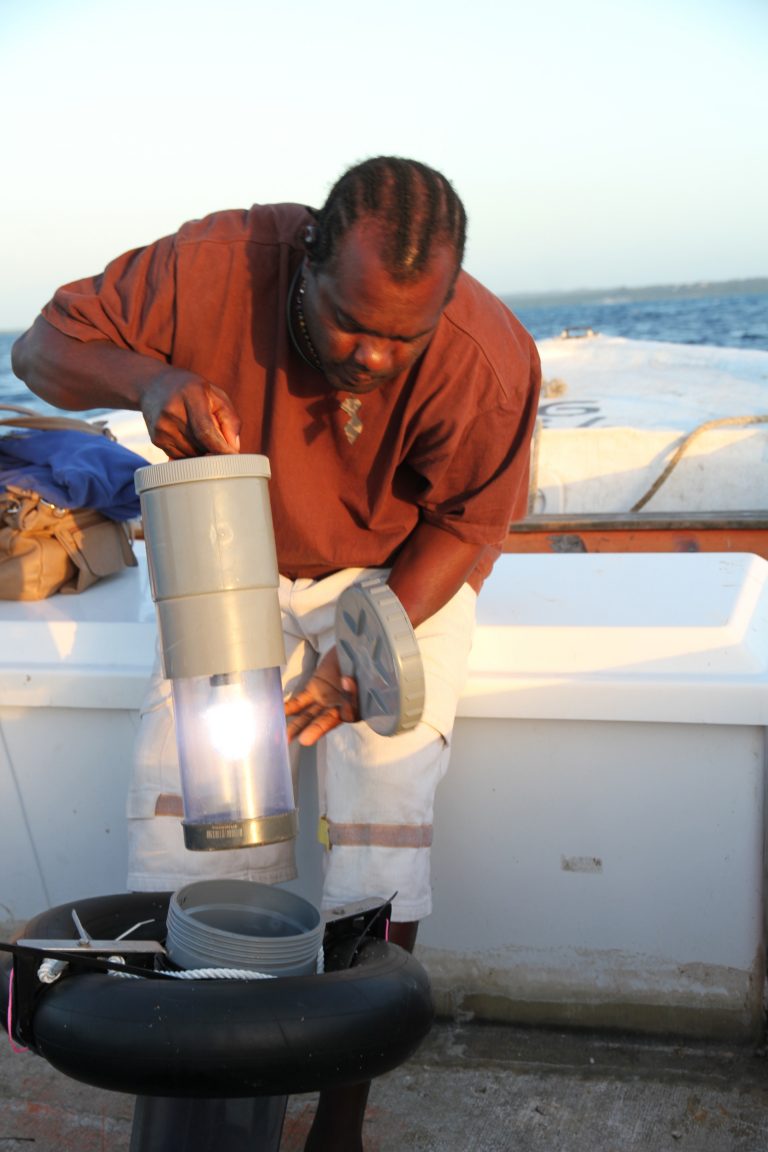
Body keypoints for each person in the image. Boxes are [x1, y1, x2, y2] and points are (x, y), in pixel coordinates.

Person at [12, 156, 541, 1150]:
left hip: (392, 580)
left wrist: (355, 667)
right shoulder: (213, 263)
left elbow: (467, 526)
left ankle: (339, 1119)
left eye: (404, 336)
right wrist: (147, 378)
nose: (376, 358)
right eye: (353, 323)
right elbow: (41, 352)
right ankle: (203, 1104)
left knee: (382, 823)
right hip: (226, 563)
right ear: (306, 259)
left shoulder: (487, 354)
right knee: (198, 829)